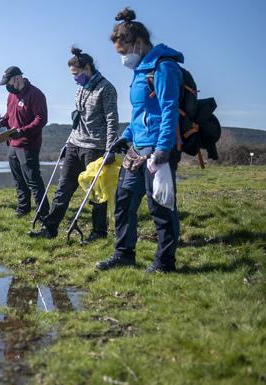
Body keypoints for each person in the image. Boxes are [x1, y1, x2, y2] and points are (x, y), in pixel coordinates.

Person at [96, 7, 182, 273]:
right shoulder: (139, 70)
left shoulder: (163, 67)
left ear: (138, 43)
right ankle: (124, 253)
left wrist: (163, 149)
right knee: (123, 201)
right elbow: (140, 114)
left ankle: (165, 262)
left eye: (124, 51)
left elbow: (168, 109)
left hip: (158, 149)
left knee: (161, 206)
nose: (123, 58)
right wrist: (125, 137)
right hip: (137, 148)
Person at [28, 47, 118, 240]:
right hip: (74, 145)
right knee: (64, 187)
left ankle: (99, 232)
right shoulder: (80, 89)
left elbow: (112, 119)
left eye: (76, 74)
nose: (75, 78)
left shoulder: (106, 89)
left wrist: (111, 147)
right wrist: (67, 142)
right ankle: (49, 228)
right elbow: (78, 119)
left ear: (87, 68)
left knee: (95, 191)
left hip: (95, 147)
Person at [0, 66, 49, 217]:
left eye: (9, 82)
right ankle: (23, 209)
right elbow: (10, 113)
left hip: (28, 144)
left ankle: (43, 212)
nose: (7, 86)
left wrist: (23, 131)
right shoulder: (11, 96)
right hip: (13, 144)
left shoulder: (35, 94)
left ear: (17, 78)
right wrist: (3, 120)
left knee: (33, 180)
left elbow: (41, 119)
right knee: (18, 179)